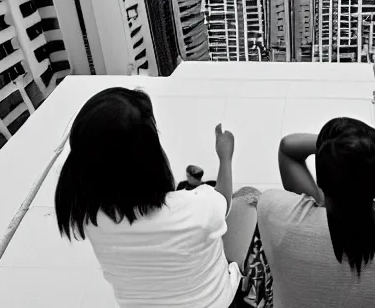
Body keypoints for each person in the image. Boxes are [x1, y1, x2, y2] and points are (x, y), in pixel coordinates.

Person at [54, 87, 244, 308]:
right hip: (220, 302)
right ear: (149, 159)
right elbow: (224, 200)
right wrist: (225, 157)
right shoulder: (198, 208)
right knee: (245, 206)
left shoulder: (91, 220)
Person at [257, 117, 375, 308]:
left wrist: (337, 147)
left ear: (322, 179)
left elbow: (288, 148)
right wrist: (355, 152)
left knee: (248, 196)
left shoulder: (279, 218)